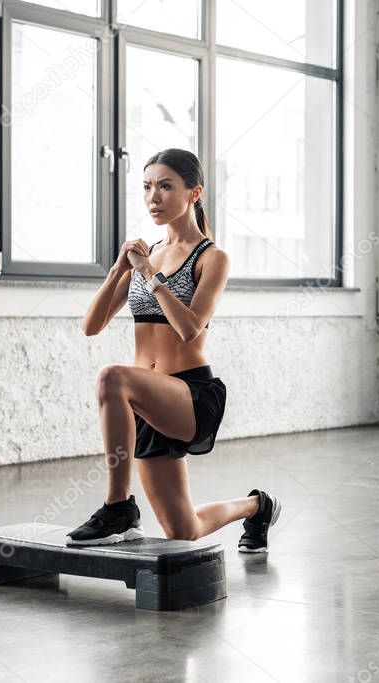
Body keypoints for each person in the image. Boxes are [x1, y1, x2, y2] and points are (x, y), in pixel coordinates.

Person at [66, 148, 279, 553]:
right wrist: (118, 270)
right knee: (183, 530)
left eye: (166, 186)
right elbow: (91, 326)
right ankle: (257, 507)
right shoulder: (149, 254)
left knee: (112, 377)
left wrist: (149, 273)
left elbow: (189, 327)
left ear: (193, 193)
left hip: (191, 396)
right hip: (147, 404)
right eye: (147, 187)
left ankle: (118, 508)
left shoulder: (212, 257)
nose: (154, 198)